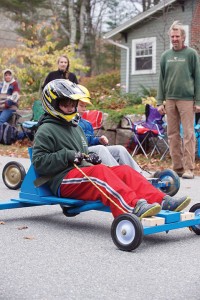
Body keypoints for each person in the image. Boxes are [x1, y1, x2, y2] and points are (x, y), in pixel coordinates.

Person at [32, 79, 191, 219]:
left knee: (124, 171)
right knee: (99, 173)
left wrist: (88, 156)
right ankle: (132, 206)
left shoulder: (75, 127)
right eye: (65, 103)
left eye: (73, 103)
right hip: (62, 180)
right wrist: (67, 155)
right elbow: (39, 162)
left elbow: (82, 152)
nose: (70, 107)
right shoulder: (46, 129)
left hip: (81, 173)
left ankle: (161, 200)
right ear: (52, 104)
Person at [157, 21, 200, 179]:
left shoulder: (191, 54)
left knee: (188, 134)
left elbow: (198, 78)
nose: (174, 39)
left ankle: (189, 168)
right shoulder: (165, 56)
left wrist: (199, 101)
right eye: (172, 36)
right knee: (172, 134)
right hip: (169, 100)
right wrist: (159, 101)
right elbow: (161, 79)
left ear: (183, 37)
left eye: (177, 36)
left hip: (187, 100)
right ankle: (178, 168)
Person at [77, 99, 143, 174]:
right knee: (100, 148)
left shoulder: (87, 123)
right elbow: (79, 141)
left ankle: (138, 174)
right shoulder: (71, 122)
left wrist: (98, 140)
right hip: (80, 151)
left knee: (119, 149)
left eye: (85, 106)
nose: (84, 109)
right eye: (81, 106)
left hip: (90, 148)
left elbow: (91, 140)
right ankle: (119, 175)